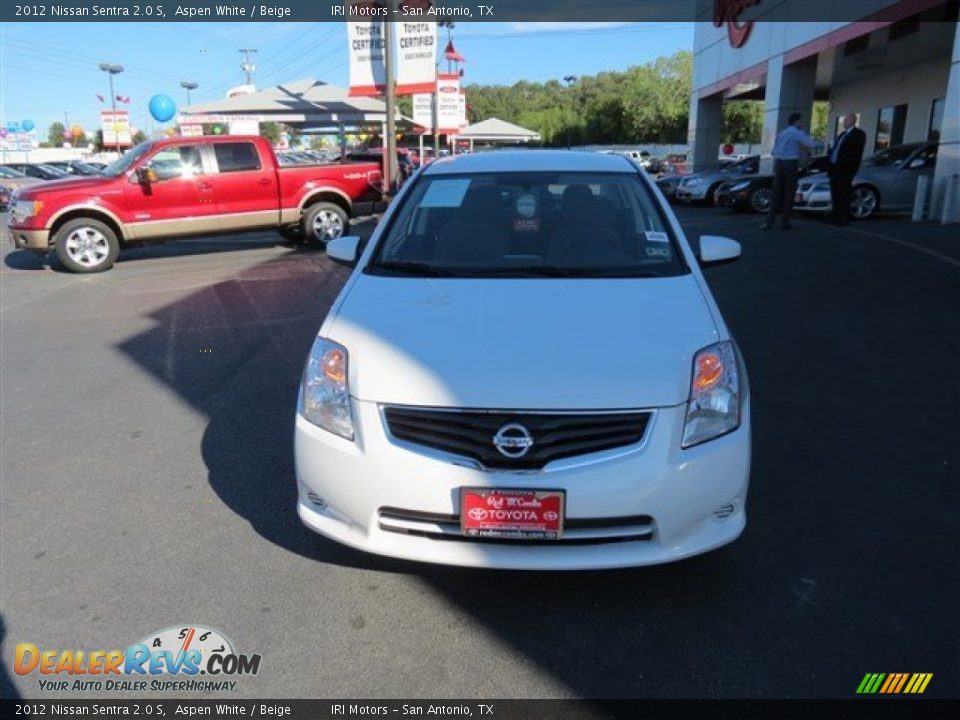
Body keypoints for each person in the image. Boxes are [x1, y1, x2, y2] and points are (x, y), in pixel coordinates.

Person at [763, 112, 819, 230]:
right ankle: (784, 222)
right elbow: (811, 143)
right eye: (801, 121)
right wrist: (822, 143)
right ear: (797, 121)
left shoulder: (782, 133)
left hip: (779, 164)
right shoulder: (797, 133)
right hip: (790, 165)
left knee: (776, 193)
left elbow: (773, 152)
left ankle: (769, 222)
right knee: (789, 193)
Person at [827, 113, 866, 226]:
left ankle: (843, 219)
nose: (844, 122)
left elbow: (854, 153)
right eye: (844, 120)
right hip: (834, 168)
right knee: (835, 194)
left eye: (846, 120)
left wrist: (850, 168)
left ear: (853, 120)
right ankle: (835, 217)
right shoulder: (842, 134)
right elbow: (836, 148)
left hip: (845, 170)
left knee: (843, 194)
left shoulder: (858, 134)